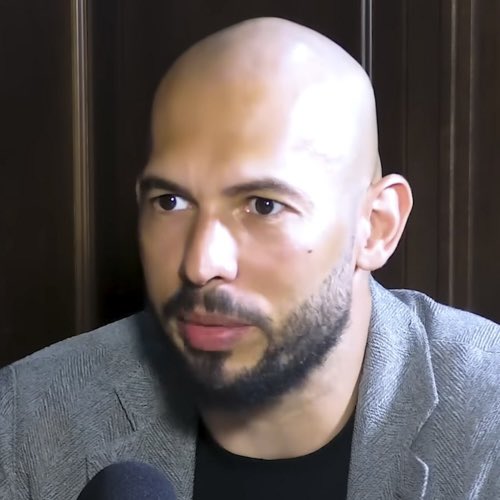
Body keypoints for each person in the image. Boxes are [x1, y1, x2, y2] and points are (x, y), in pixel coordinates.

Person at [0, 17, 498, 500]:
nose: (200, 265)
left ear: (376, 226)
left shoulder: (488, 411)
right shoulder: (27, 420)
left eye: (264, 206)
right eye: (170, 202)